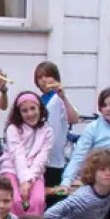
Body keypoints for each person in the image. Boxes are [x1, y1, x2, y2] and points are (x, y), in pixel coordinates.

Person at [61, 87, 110, 189]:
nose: (108, 109)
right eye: (104, 105)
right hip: (96, 180)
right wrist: (66, 182)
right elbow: (79, 156)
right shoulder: (92, 128)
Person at [0, 92, 53, 216]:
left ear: (40, 108)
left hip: (35, 172)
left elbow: (42, 157)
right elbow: (17, 155)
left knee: (37, 201)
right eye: (24, 110)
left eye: (33, 108)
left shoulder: (47, 131)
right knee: (15, 201)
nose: (30, 114)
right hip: (11, 169)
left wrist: (29, 180)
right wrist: (23, 181)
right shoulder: (13, 129)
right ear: (19, 113)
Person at [34, 61, 79, 195]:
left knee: (55, 194)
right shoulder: (39, 99)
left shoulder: (59, 98)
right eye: (39, 77)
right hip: (40, 155)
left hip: (54, 157)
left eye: (47, 76)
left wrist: (63, 97)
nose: (44, 80)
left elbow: (74, 118)